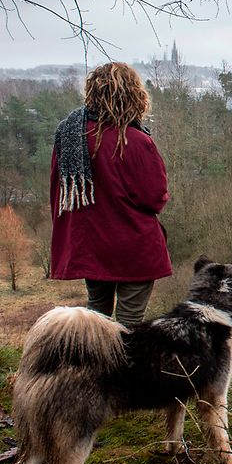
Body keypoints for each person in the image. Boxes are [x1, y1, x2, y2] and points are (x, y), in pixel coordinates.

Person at [49, 62, 172, 327]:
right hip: (133, 245)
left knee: (97, 317)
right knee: (129, 323)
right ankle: (124, 368)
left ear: (92, 92)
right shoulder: (136, 141)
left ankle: (97, 366)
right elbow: (154, 196)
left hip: (91, 244)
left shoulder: (72, 136)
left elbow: (59, 191)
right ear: (133, 96)